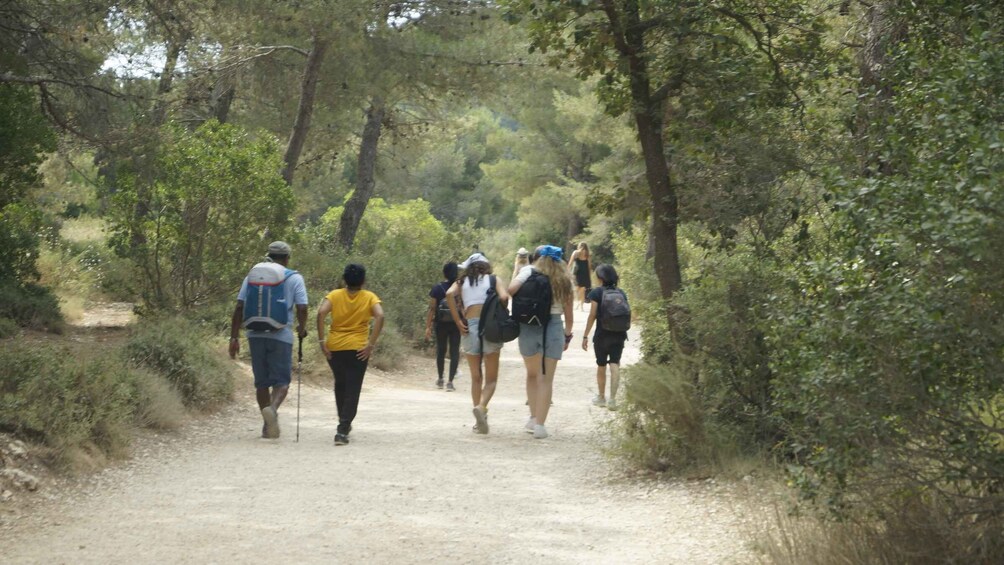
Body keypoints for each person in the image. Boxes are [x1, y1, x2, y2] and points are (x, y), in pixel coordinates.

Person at [229, 241, 309, 439]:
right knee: (282, 381)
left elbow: (239, 307)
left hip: (254, 334)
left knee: (261, 382)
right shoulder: (295, 277)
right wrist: (301, 327)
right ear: (287, 258)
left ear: (268, 256)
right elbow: (302, 307)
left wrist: (233, 337)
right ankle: (272, 409)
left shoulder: (252, 276)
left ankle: (267, 426)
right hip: (281, 335)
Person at [509, 245, 574, 439]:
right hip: (553, 326)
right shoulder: (563, 280)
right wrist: (567, 335)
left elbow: (511, 290)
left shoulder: (528, 272)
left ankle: (532, 416)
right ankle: (540, 426)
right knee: (546, 377)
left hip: (529, 325)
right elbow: (569, 316)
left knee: (531, 374)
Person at [316, 264, 385, 446]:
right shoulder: (370, 297)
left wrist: (322, 341)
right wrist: (371, 344)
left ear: (344, 279)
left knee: (340, 383)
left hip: (335, 346)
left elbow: (321, 312)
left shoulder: (334, 295)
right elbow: (380, 316)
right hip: (358, 348)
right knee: (353, 388)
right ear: (363, 280)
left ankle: (343, 422)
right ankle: (343, 428)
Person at [446, 252, 509, 434]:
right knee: (491, 380)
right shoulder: (493, 280)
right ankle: (481, 408)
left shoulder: (462, 282)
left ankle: (478, 421)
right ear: (486, 266)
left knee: (476, 377)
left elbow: (449, 294)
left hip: (469, 326)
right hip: (490, 328)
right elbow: (504, 298)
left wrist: (458, 321)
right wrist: (499, 310)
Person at [582, 264, 629, 410]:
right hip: (619, 334)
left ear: (600, 278)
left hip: (602, 335)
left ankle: (601, 397)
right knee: (615, 363)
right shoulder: (621, 292)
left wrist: (585, 335)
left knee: (601, 365)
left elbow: (592, 315)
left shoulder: (597, 293)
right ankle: (613, 400)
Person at [425, 262, 461, 391]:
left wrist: (428, 326)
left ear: (444, 273)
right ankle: (450, 382)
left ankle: (440, 379)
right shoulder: (459, 287)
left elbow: (432, 308)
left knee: (441, 350)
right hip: (456, 323)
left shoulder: (437, 288)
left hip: (440, 323)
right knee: (454, 351)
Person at [568, 242, 593, 312]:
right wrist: (590, 275)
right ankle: (581, 306)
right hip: (585, 272)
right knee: (582, 290)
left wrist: (567, 270)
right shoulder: (587, 254)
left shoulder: (575, 252)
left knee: (576, 289)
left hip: (576, 272)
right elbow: (589, 265)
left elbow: (570, 262)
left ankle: (578, 303)